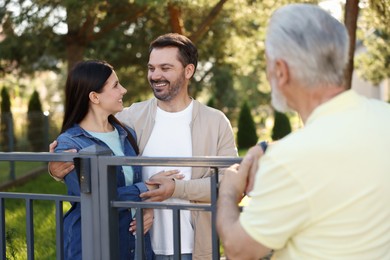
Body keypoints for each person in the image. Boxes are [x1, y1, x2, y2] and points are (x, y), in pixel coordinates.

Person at [217, 3, 390, 260]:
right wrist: (269, 150)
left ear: (281, 71)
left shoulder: (291, 159)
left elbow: (238, 248)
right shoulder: (383, 117)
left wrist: (229, 190)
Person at [50, 33, 238, 259]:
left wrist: (177, 189)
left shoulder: (215, 122)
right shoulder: (129, 119)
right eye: (151, 68)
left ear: (188, 71)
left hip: (194, 249)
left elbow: (231, 186)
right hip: (139, 247)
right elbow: (89, 143)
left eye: (165, 68)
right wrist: (56, 168)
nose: (155, 75)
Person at [54, 60, 158, 260]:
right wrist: (146, 190)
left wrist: (148, 207)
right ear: (94, 97)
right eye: (116, 85)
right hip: (91, 243)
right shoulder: (68, 143)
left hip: (132, 242)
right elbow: (94, 197)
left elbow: (129, 183)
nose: (123, 90)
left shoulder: (126, 134)